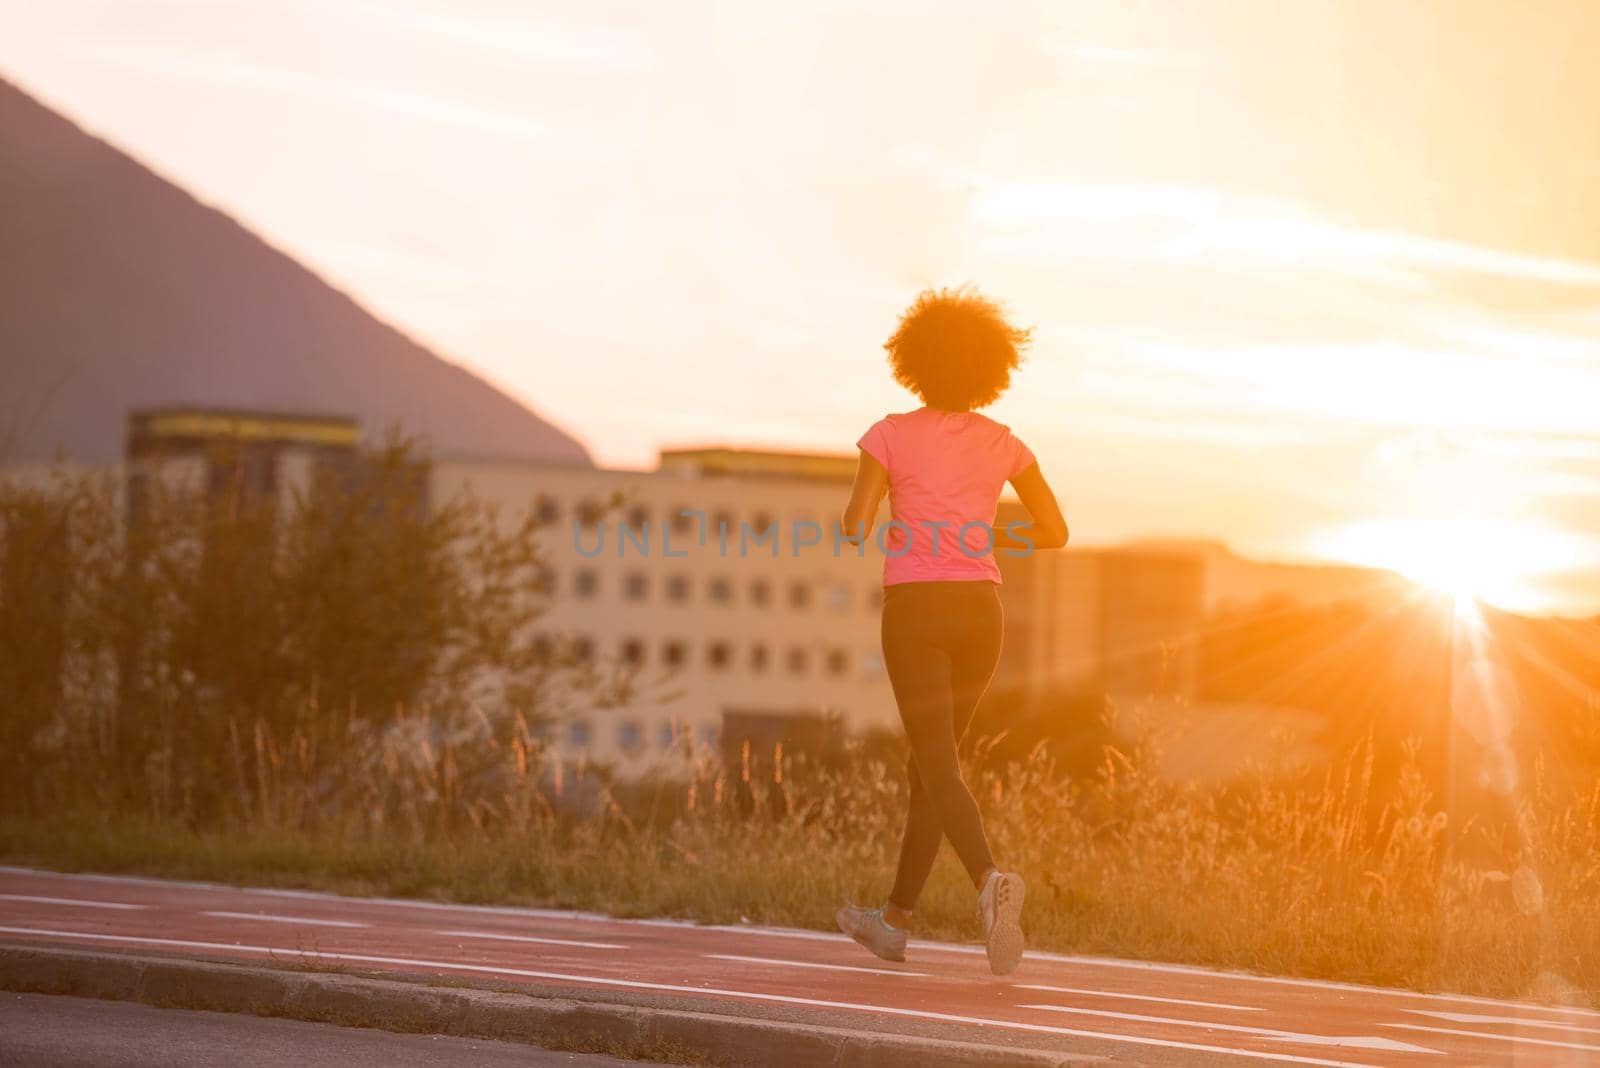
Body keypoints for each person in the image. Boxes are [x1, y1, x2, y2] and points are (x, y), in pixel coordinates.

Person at [834, 287, 1068, 977]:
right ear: (990, 368)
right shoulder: (1005, 443)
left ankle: (990, 883)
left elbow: (855, 524)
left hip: (917, 610)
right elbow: (1054, 532)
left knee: (935, 765)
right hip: (981, 611)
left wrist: (883, 513)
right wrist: (977, 529)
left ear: (912, 360)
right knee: (928, 770)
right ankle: (895, 923)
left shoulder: (889, 434)